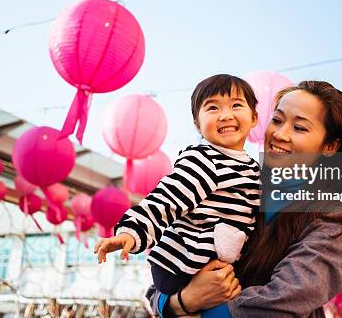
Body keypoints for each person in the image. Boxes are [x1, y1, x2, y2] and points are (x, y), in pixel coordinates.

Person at [148, 80, 342, 317]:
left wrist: (203, 314)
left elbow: (293, 293)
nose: (279, 134)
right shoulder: (235, 185)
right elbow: (162, 278)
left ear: (330, 146)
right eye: (277, 120)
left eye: (299, 128)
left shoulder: (330, 210)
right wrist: (182, 301)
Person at [94, 74, 261, 296]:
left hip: (216, 269)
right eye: (212, 108)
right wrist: (131, 232)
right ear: (197, 124)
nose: (225, 115)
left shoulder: (253, 169)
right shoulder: (204, 159)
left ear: (254, 117)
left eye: (236, 105)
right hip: (181, 266)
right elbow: (167, 199)